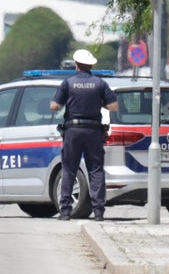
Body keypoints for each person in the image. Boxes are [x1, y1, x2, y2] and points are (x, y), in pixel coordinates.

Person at [50, 49, 119, 221]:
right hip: (93, 131)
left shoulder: (68, 83)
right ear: (91, 66)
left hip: (72, 131)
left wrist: (69, 102)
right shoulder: (100, 83)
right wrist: (97, 102)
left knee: (69, 169)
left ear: (76, 65)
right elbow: (114, 107)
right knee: (95, 170)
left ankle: (65, 211)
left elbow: (54, 106)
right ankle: (98, 212)